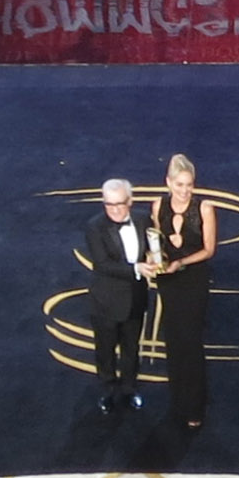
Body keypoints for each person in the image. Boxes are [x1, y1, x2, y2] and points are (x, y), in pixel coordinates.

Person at [149, 152, 221, 428]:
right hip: (169, 281)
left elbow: (209, 249)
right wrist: (155, 260)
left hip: (193, 279)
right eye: (179, 185)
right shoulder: (158, 206)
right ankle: (178, 399)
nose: (184, 190)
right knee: (173, 339)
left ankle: (195, 405)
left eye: (189, 185)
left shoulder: (204, 209)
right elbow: (157, 243)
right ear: (168, 182)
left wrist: (181, 262)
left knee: (190, 341)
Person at [81, 177, 158, 414]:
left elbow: (153, 246)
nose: (114, 209)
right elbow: (102, 264)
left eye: (119, 203)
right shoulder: (95, 227)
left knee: (131, 348)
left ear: (130, 201)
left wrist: (156, 257)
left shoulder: (143, 219)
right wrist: (137, 268)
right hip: (106, 302)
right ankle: (108, 390)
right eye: (108, 204)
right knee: (105, 350)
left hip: (135, 299)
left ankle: (129, 388)